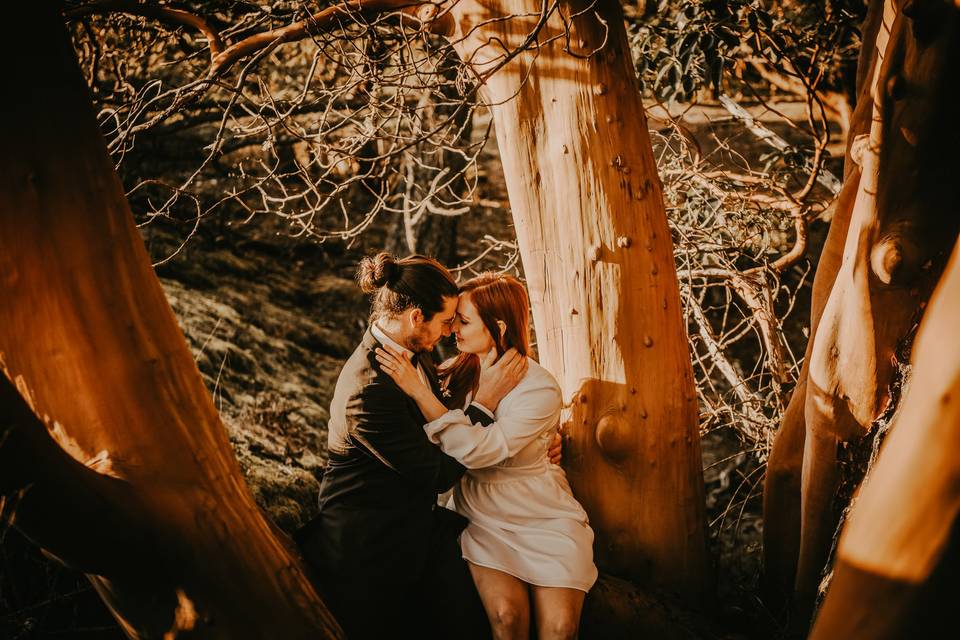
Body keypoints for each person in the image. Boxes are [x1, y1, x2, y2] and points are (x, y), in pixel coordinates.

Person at [296, 253, 560, 639]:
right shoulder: (369, 389)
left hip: (420, 523)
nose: (450, 331)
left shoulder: (414, 348)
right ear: (416, 316)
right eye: (446, 321)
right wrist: (484, 404)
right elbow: (440, 472)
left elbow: (446, 415)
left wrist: (539, 442)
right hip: (372, 543)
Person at [375, 272, 598, 640]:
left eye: (462, 321)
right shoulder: (449, 375)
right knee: (507, 618)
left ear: (497, 325)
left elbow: (482, 451)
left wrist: (420, 393)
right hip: (480, 513)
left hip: (541, 516)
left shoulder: (539, 387)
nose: (451, 331)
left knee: (559, 629)